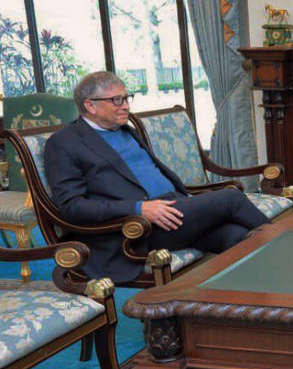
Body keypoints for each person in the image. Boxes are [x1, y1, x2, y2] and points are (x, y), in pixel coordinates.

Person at [44, 71, 270, 283]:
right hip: (137, 229)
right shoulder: (64, 143)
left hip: (175, 209)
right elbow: (72, 207)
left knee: (238, 236)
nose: (126, 106)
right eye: (117, 100)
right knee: (230, 198)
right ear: (90, 105)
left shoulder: (125, 130)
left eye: (126, 98)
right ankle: (292, 254)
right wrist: (138, 208)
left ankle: (261, 299)